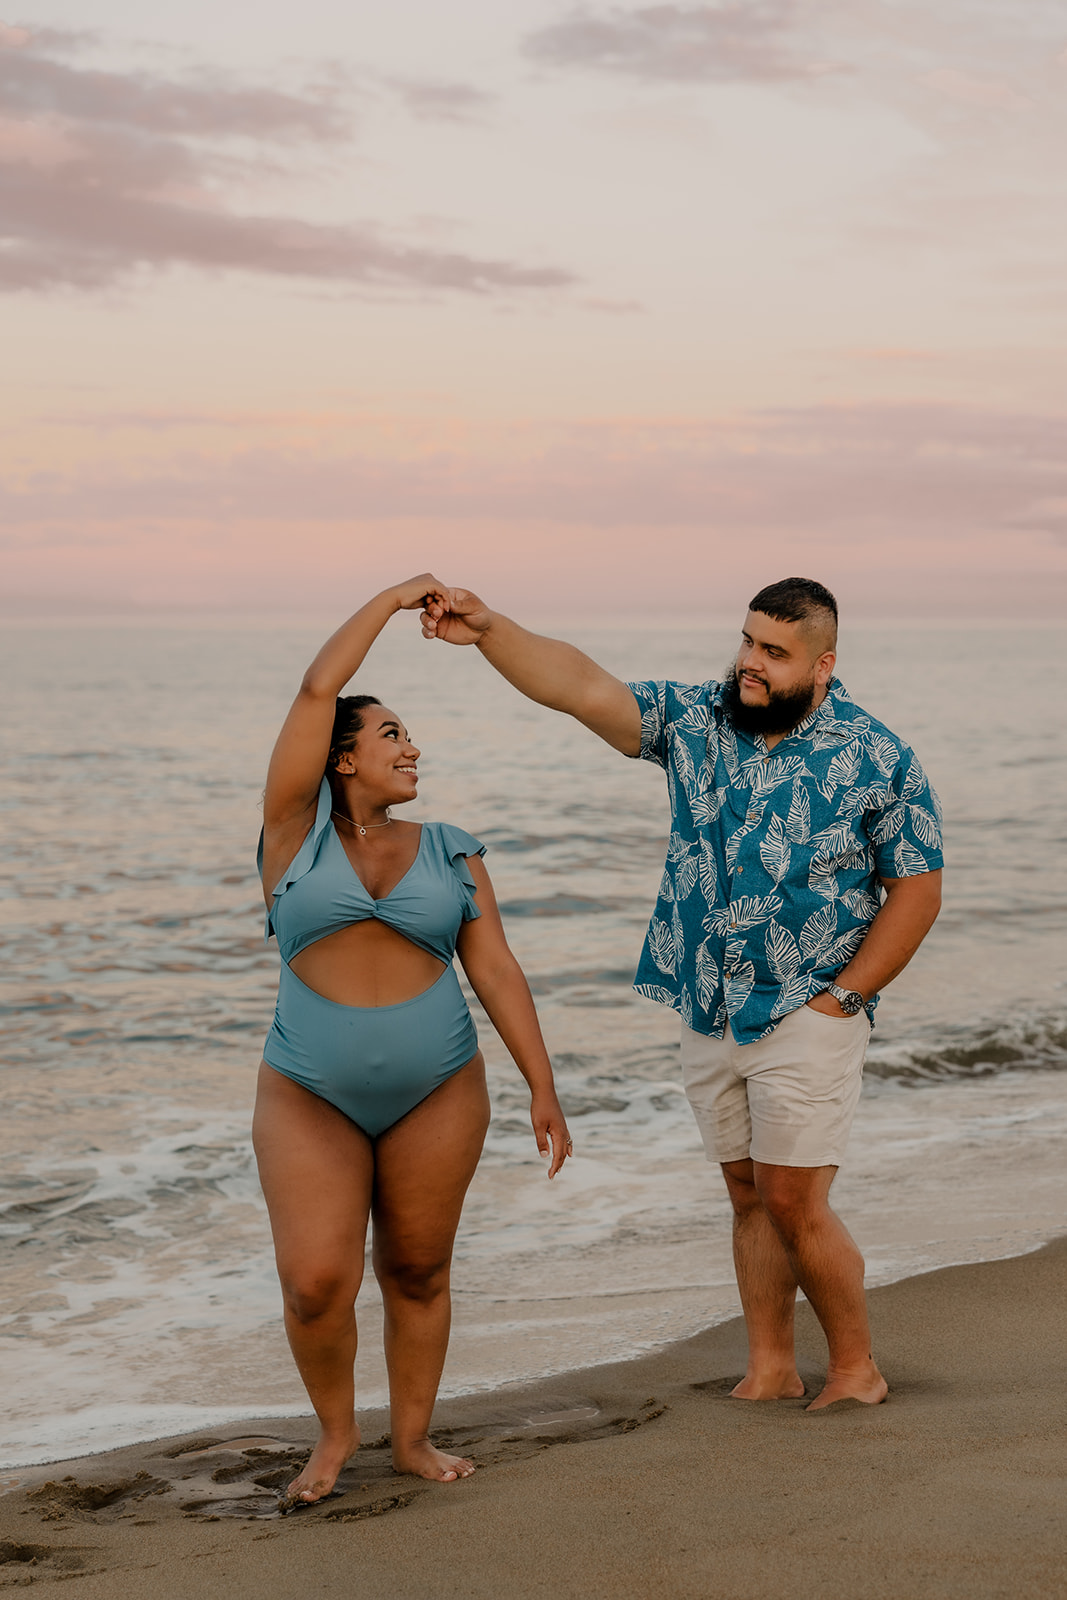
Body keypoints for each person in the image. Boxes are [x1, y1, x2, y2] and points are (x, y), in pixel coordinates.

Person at [419, 576, 943, 1411]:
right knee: (744, 1193)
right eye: (746, 642)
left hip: (807, 1001)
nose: (749, 663)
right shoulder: (697, 721)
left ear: (822, 662)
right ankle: (770, 1363)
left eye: (773, 652)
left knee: (792, 1196)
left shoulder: (877, 756)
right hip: (704, 1001)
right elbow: (581, 688)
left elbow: (915, 888)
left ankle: (855, 1368)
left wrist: (844, 997)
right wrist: (489, 631)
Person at [253, 575, 571, 1505]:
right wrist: (392, 603)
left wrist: (540, 1086)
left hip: (440, 1083)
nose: (412, 747)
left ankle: (413, 1440)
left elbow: (498, 971)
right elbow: (318, 693)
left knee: (417, 1268)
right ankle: (335, 1437)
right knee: (316, 1281)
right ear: (341, 759)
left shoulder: (450, 849)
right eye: (391, 733)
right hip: (308, 1086)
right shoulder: (290, 837)